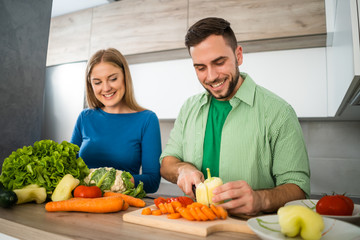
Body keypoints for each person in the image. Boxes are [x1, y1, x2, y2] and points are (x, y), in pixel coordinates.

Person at [160, 17, 310, 215]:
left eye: (219, 62)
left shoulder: (279, 112)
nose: (211, 76)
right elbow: (167, 163)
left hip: (250, 229)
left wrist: (260, 199)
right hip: (196, 223)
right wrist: (182, 169)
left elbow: (299, 189)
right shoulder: (189, 108)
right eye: (201, 67)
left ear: (238, 55)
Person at [71, 48, 161, 193]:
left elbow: (152, 181)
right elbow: (68, 167)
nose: (106, 88)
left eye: (113, 79)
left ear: (125, 77)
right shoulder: (85, 118)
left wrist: (113, 180)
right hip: (81, 202)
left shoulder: (147, 120)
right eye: (97, 82)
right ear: (90, 85)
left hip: (121, 205)